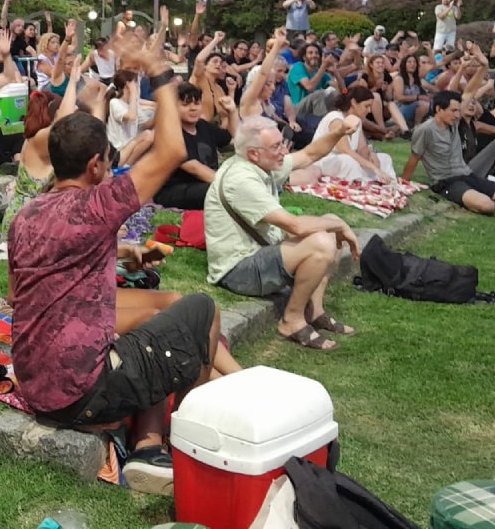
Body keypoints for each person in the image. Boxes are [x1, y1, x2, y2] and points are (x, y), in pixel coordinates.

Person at [9, 46, 242, 493]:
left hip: (35, 385)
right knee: (201, 311)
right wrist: (160, 74)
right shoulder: (99, 204)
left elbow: (23, 292)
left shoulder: (28, 215)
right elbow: (171, 149)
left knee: (163, 311)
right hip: (80, 395)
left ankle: (223, 392)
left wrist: (125, 255)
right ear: (97, 165)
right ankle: (169, 440)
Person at [204, 114, 364, 352]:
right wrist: (339, 226)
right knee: (323, 239)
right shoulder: (241, 180)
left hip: (259, 252)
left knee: (327, 223)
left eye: (282, 143)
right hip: (237, 270)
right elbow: (296, 226)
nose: (284, 150)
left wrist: (340, 131)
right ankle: (291, 320)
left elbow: (310, 154)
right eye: (276, 146)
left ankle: (315, 311)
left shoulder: (259, 163)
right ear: (253, 154)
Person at [154, 82, 236, 211]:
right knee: (217, 192)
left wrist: (232, 111)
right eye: (186, 104)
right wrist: (227, 184)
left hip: (204, 182)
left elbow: (234, 138)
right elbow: (194, 168)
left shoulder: (203, 126)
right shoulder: (169, 133)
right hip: (175, 190)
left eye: (197, 103)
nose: (193, 108)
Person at [311, 85, 397, 182]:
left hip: (346, 160)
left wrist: (371, 154)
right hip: (327, 160)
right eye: (366, 106)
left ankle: (380, 179)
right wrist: (373, 167)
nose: (369, 111)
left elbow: (362, 149)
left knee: (385, 158)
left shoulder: (357, 121)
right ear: (353, 103)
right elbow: (346, 150)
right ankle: (365, 179)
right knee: (349, 161)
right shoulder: (335, 119)